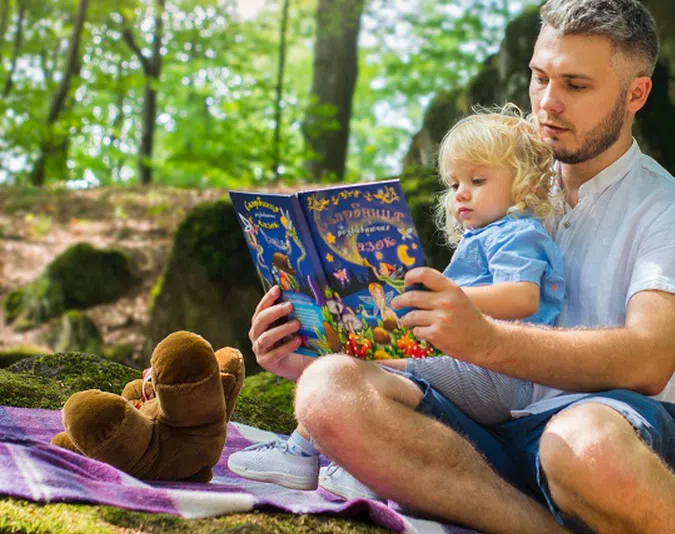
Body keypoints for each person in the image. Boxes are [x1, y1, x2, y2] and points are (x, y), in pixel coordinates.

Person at [249, 0, 675, 534]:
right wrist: (314, 343)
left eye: (576, 85)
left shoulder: (672, 210)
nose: (548, 102)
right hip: (483, 427)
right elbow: (440, 341)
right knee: (327, 388)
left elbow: (648, 359)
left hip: (611, 430)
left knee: (582, 441)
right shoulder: (497, 186)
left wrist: (482, 337)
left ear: (635, 93)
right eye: (539, 77)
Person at [229, 106, 567, 494]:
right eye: (454, 183)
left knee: (365, 367)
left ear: (526, 182)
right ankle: (333, 460)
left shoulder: (519, 232)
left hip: (497, 376)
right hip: (470, 365)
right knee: (356, 362)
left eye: (477, 179)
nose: (461, 194)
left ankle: (313, 457)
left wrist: (446, 298)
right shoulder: (488, 236)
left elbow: (523, 296)